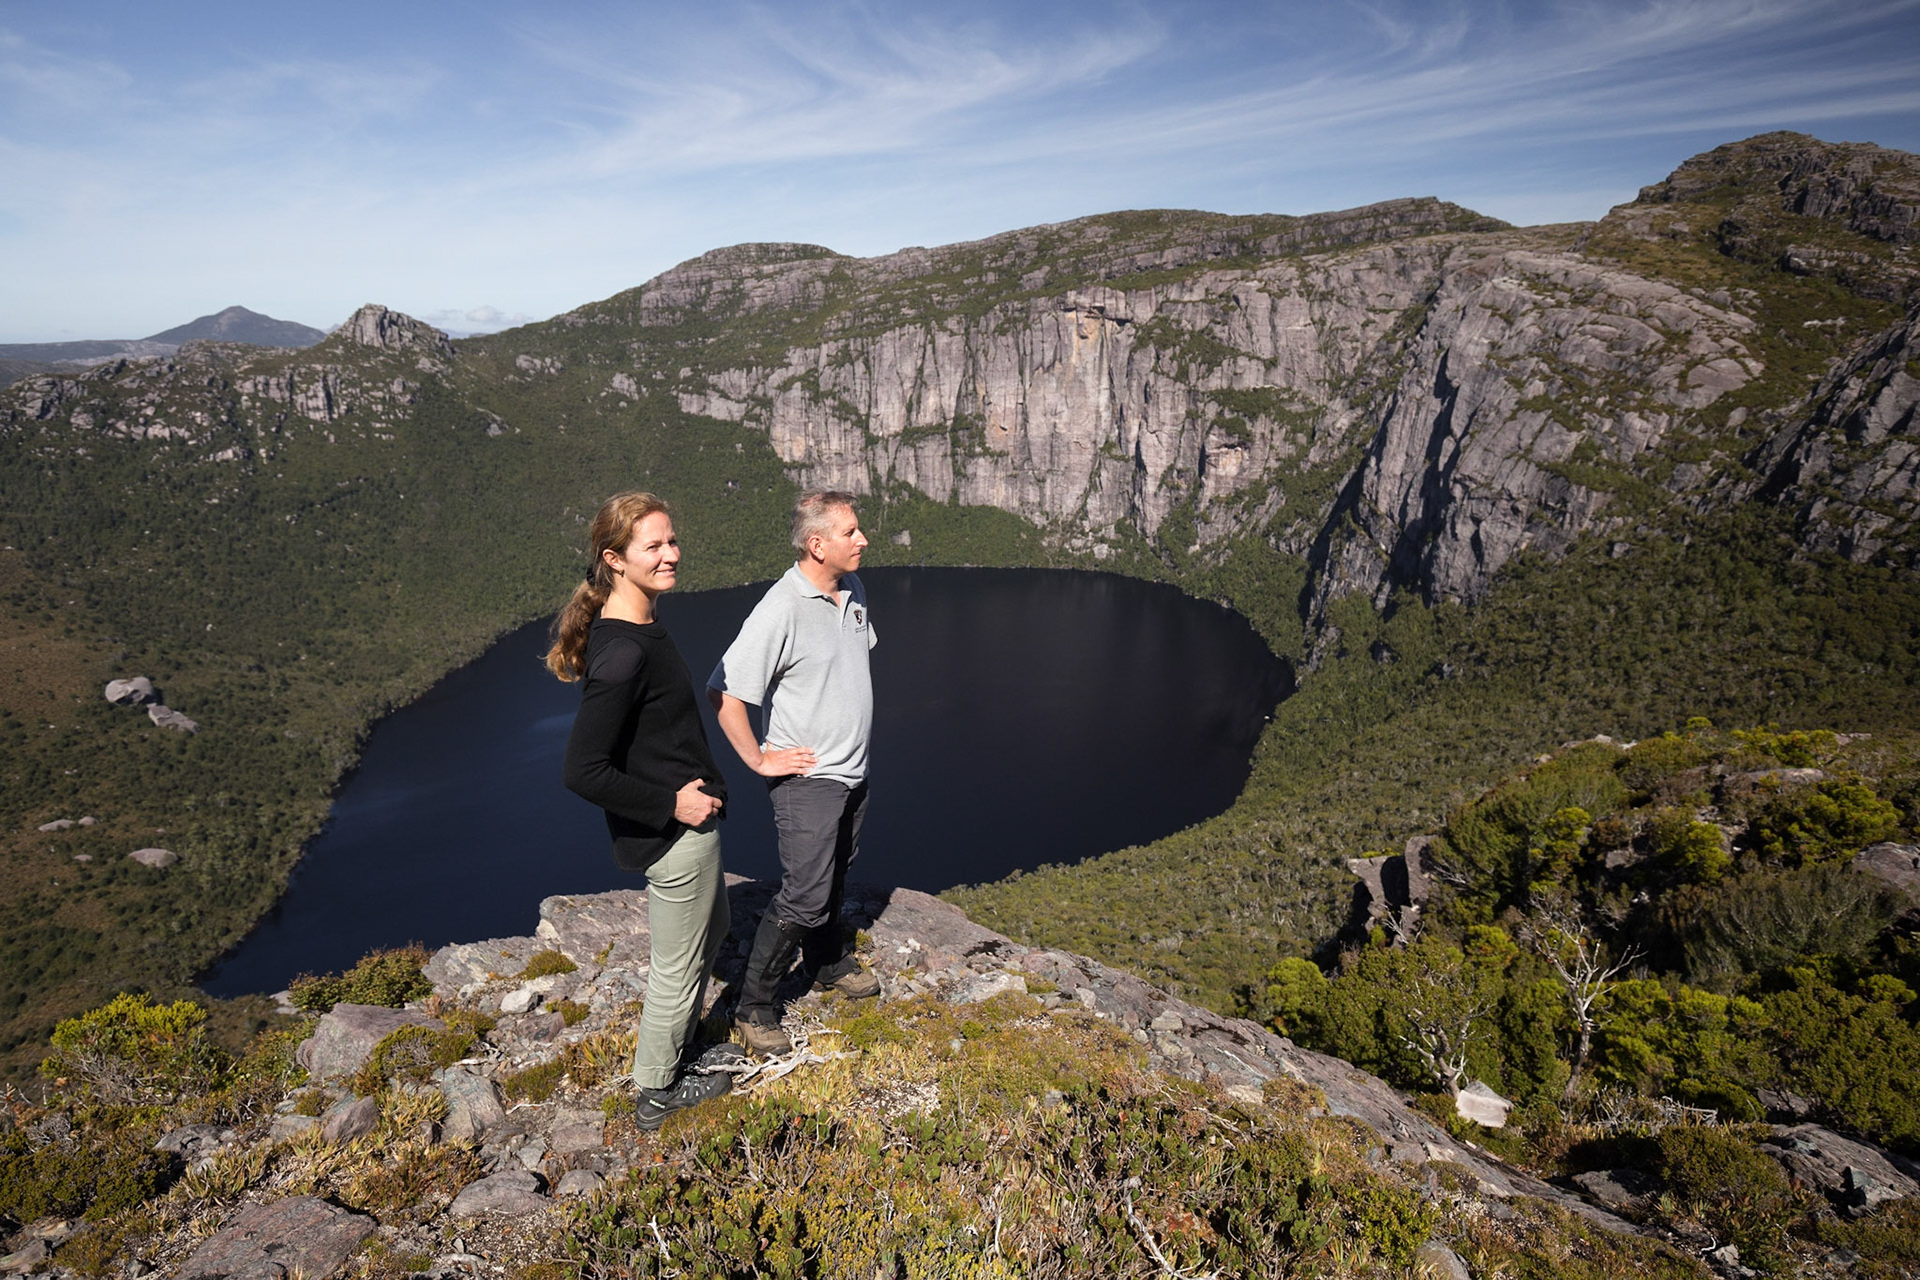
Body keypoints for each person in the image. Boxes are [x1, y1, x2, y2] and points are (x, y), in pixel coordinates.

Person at [551, 492, 740, 1128]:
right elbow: (582, 771)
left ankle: (676, 1056)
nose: (670, 555)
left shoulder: (634, 627)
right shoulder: (624, 651)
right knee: (678, 966)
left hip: (690, 824)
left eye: (672, 540)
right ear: (615, 559)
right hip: (676, 834)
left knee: (710, 935)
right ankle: (656, 1092)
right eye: (652, 547)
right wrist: (672, 804)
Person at [708, 490, 882, 1055]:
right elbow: (725, 691)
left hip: (852, 770)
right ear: (817, 545)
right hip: (808, 779)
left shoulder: (850, 589)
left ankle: (827, 961)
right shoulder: (780, 607)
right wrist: (760, 758)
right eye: (851, 532)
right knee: (805, 895)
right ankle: (755, 1006)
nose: (863, 540)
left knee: (834, 874)